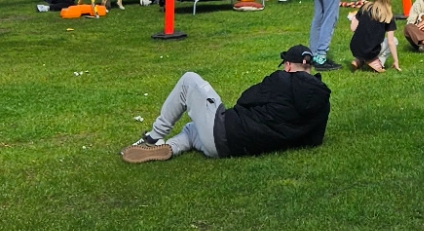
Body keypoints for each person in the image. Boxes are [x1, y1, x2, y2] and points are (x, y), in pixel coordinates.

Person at [120, 45, 331, 162]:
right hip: (230, 149)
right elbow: (314, 140)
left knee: (189, 80)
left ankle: (153, 137)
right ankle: (171, 148)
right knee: (193, 129)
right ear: (309, 67)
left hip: (227, 133)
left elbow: (244, 99)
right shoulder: (323, 100)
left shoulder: (281, 79)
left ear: (288, 66)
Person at [349, 0, 401, 72]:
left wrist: (353, 19)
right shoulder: (387, 15)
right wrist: (396, 61)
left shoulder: (365, 7)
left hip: (355, 47)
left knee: (366, 42)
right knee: (395, 40)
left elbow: (353, 28)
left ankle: (358, 60)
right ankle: (377, 62)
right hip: (371, 50)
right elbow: (390, 42)